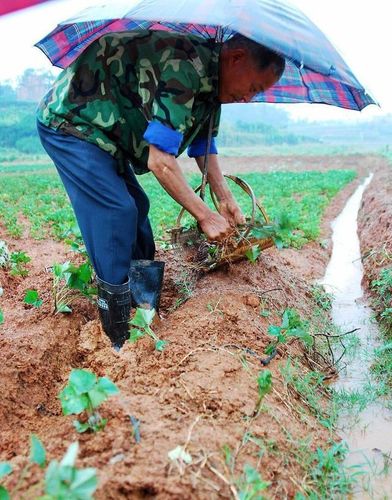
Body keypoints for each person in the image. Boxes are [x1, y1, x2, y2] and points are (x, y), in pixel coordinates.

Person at [36, 31, 285, 349]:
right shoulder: (182, 68)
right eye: (252, 88)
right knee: (115, 212)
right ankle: (118, 337)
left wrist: (225, 198)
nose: (249, 99)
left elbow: (202, 142)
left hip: (109, 134)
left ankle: (144, 312)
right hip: (72, 123)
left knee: (137, 210)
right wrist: (205, 215)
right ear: (235, 58)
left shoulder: (212, 87)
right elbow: (160, 161)